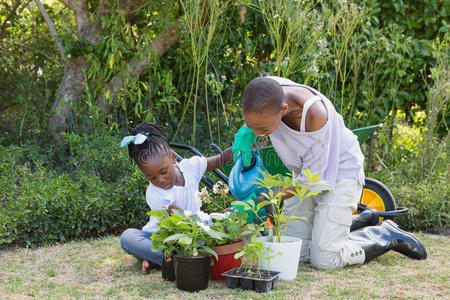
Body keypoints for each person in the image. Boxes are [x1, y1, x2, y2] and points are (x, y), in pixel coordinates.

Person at [232, 76, 427, 270]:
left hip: (340, 172)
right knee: (292, 252)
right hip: (306, 173)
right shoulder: (265, 91)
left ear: (283, 109)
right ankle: (358, 221)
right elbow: (256, 115)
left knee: (324, 259)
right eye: (253, 126)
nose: (258, 133)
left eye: (264, 129)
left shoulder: (314, 115)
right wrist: (246, 130)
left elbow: (312, 182)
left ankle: (385, 234)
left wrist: (263, 199)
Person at [119, 122, 232, 273]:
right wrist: (209, 223)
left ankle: (161, 260)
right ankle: (177, 258)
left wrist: (238, 148)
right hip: (160, 237)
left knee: (224, 222)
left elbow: (221, 159)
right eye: (151, 177)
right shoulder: (155, 193)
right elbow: (181, 218)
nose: (160, 180)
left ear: (173, 158)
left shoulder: (190, 167)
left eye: (163, 171)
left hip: (193, 234)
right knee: (128, 237)